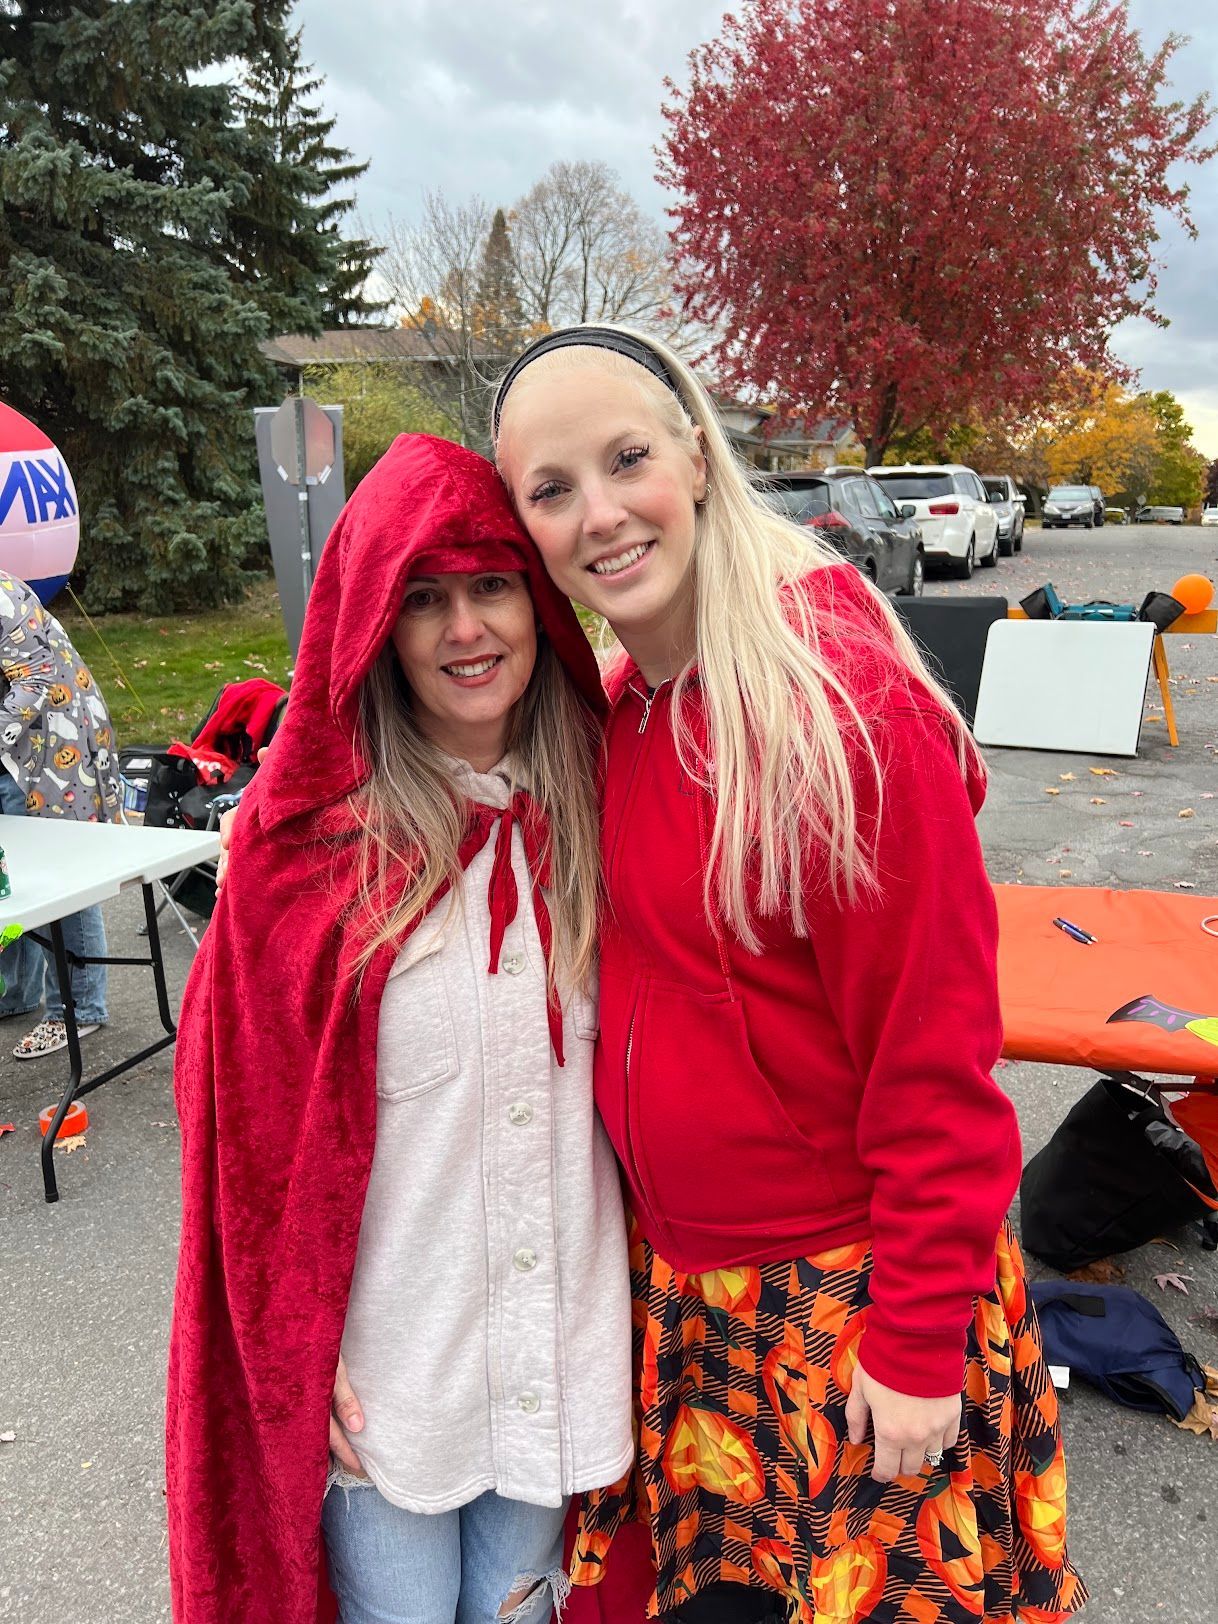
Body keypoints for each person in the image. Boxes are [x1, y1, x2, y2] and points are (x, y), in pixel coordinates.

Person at [492, 327, 1087, 1623]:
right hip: (691, 1302)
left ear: (696, 459)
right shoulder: (619, 713)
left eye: (626, 459)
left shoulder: (836, 710)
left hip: (850, 1306)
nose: (598, 513)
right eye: (550, 489)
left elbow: (936, 1067)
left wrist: (920, 1341)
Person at [166, 434, 633, 1624]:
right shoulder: (304, 851)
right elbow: (242, 1156)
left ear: (537, 604)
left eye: (490, 587)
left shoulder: (606, 804)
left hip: (552, 1358)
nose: (465, 628)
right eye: (423, 599)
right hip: (388, 1381)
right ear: (375, 620)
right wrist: (286, 1359)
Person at [0, 570, 119, 1057]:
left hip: (50, 745)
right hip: (15, 747)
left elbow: (37, 673)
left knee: (58, 873)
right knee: (14, 872)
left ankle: (79, 1008)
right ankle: (18, 993)